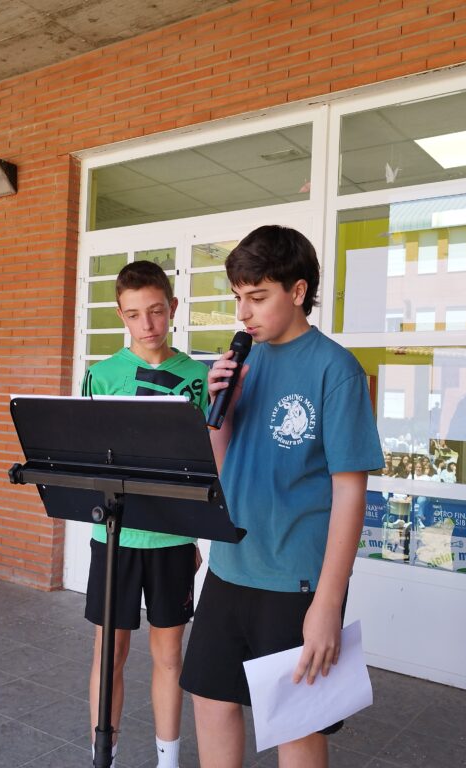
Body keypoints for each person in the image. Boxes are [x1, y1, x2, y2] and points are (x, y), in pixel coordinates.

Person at [178, 225, 383, 767]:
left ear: (297, 291)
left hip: (296, 580)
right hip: (231, 565)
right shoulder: (244, 361)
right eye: (238, 298)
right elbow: (222, 467)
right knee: (210, 700)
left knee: (296, 724)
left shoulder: (335, 370)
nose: (243, 313)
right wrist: (220, 411)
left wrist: (327, 604)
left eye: (257, 297)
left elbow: (350, 495)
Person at [80, 261, 207, 768]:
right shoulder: (101, 375)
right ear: (121, 316)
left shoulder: (198, 378)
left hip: (172, 540)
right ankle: (102, 756)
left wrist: (194, 536)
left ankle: (167, 761)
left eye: (156, 311)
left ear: (172, 307)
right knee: (109, 654)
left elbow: (202, 468)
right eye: (134, 314)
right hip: (114, 538)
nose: (147, 324)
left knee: (169, 657)